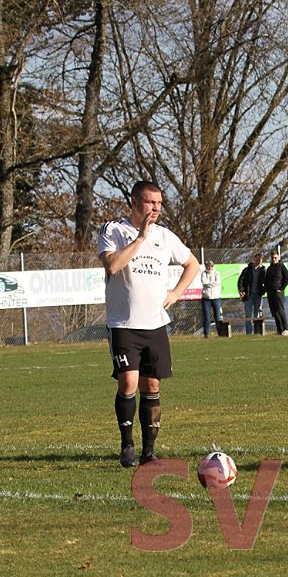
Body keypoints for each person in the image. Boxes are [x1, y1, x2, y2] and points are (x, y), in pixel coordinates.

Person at [98, 181, 200, 467]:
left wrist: (176, 293)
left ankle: (149, 452)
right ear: (134, 202)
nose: (156, 208)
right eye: (150, 202)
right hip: (124, 323)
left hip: (155, 324)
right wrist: (140, 238)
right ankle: (127, 445)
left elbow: (192, 264)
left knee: (152, 384)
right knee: (128, 381)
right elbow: (112, 265)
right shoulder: (113, 230)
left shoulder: (165, 236)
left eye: (159, 203)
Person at [236, 252, 265, 334]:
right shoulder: (247, 270)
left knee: (257, 315)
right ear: (253, 259)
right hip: (249, 295)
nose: (258, 261)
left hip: (258, 295)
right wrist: (241, 290)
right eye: (257, 259)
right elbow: (240, 281)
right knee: (248, 315)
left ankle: (257, 332)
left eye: (260, 260)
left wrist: (264, 290)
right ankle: (249, 332)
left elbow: (266, 282)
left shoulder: (263, 271)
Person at [264, 251, 288, 335]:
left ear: (278, 258)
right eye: (272, 258)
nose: (274, 259)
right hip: (270, 293)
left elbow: (287, 279)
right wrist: (266, 289)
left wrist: (281, 289)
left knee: (280, 310)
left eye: (275, 258)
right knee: (274, 312)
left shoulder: (281, 267)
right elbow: (266, 280)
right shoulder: (269, 268)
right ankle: (280, 329)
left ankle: (286, 328)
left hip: (278, 292)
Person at [200, 260, 223, 338]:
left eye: (211, 266)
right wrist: (211, 283)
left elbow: (218, 282)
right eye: (208, 266)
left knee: (217, 316)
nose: (210, 267)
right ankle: (206, 334)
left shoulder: (217, 273)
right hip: (206, 299)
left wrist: (209, 283)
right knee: (207, 317)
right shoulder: (204, 273)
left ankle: (220, 333)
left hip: (216, 298)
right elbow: (203, 282)